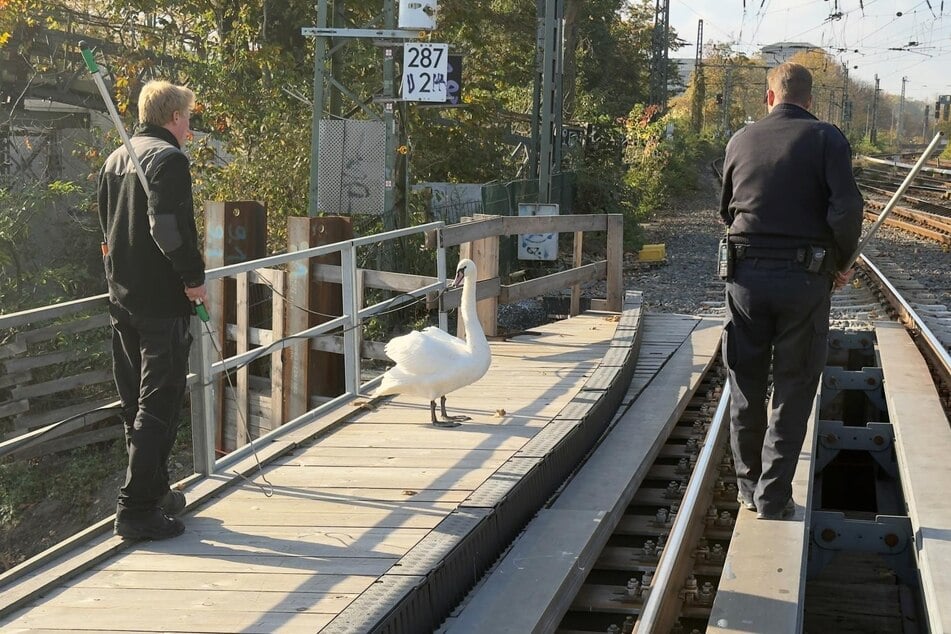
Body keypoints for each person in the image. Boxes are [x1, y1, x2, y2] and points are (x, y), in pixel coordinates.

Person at [718, 62, 864, 520]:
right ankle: (773, 497)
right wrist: (840, 263)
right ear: (810, 100)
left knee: (746, 381)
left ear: (770, 97)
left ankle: (747, 488)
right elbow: (847, 209)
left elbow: (727, 210)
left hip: (744, 278)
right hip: (804, 280)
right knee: (794, 385)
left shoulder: (740, 140)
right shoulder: (827, 138)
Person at [98, 80, 206, 540]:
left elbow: (105, 232)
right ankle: (137, 509)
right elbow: (168, 229)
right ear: (174, 117)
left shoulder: (115, 158)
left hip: (123, 299)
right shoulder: (169, 159)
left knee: (134, 403)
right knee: (158, 403)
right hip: (162, 302)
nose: (189, 127)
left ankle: (156, 488)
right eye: (188, 118)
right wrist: (194, 278)